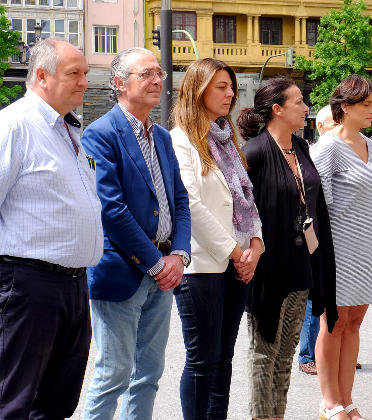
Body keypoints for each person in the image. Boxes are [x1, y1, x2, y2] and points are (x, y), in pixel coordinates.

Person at [81, 47, 192, 419]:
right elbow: (111, 209)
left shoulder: (161, 136)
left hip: (163, 270)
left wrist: (178, 255)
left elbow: (179, 199)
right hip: (121, 271)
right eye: (146, 74)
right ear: (118, 84)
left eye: (158, 73)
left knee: (149, 374)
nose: (157, 80)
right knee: (112, 373)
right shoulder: (100, 134)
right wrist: (156, 262)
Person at [0, 38, 102, 420]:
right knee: (13, 399)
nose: (83, 82)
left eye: (86, 74)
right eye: (74, 73)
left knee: (58, 400)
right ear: (41, 76)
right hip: (26, 285)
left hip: (73, 285)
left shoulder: (68, 130)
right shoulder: (14, 126)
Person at [238, 76, 338, 420]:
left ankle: (277, 415)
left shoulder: (302, 148)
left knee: (285, 352)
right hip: (268, 268)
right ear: (277, 110)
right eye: (298, 102)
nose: (306, 107)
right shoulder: (253, 152)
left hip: (302, 263)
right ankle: (262, 416)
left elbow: (315, 205)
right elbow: (241, 213)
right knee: (264, 351)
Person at [170, 58, 264, 419]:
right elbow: (189, 204)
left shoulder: (227, 139)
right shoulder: (181, 140)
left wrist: (255, 245)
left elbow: (247, 199)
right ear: (198, 89)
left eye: (231, 87)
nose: (229, 94)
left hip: (238, 263)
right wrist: (235, 252)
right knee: (201, 360)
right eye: (220, 87)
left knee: (223, 358)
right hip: (204, 264)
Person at [311, 75, 372, 420]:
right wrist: (320, 254)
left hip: (367, 245)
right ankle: (330, 402)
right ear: (344, 107)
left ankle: (348, 399)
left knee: (354, 323)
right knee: (334, 324)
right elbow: (315, 204)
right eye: (366, 105)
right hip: (336, 249)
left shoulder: (370, 144)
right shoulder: (327, 147)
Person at [299, 105, 337, 376]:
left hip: (334, 235)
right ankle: (307, 354)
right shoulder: (319, 151)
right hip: (317, 234)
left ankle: (329, 350)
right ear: (321, 127)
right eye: (333, 122)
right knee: (314, 299)